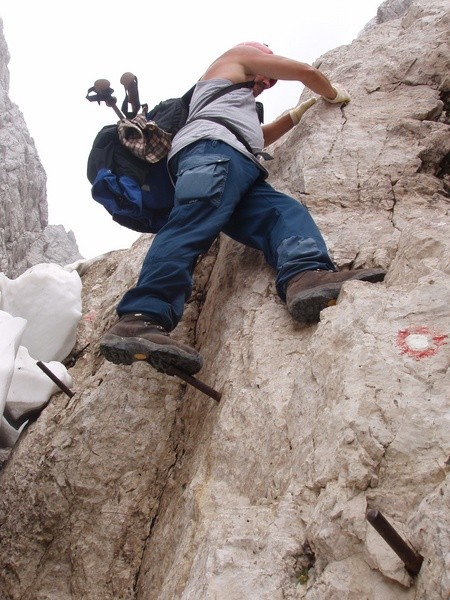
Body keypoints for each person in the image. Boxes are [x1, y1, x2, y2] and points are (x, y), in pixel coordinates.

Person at [100, 41, 385, 375]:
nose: (267, 84)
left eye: (271, 85)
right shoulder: (236, 58)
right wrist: (331, 92)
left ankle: (306, 277)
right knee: (190, 226)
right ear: (259, 54)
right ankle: (140, 317)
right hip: (212, 154)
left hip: (233, 163)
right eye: (268, 76)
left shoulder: (231, 106)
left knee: (281, 213)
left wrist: (295, 116)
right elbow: (304, 72)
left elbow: (256, 137)